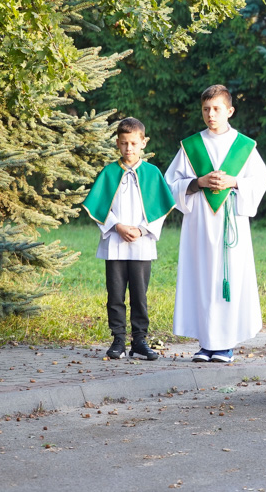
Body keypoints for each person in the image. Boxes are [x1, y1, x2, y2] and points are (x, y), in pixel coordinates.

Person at [165, 85, 266, 364]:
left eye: (217, 109)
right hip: (199, 222)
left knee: (229, 278)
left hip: (230, 222)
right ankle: (205, 343)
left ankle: (224, 344)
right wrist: (197, 182)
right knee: (200, 277)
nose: (211, 114)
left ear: (230, 111)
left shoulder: (244, 146)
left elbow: (259, 182)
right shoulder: (190, 146)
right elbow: (169, 184)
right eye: (206, 109)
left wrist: (234, 182)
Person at [82, 117, 175, 361]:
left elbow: (161, 207)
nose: (129, 148)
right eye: (124, 143)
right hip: (114, 243)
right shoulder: (110, 172)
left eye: (134, 143)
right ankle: (118, 341)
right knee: (115, 295)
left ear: (144, 142)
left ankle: (140, 341)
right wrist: (118, 226)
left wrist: (142, 230)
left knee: (139, 295)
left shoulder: (152, 173)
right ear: (117, 143)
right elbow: (99, 205)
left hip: (142, 245)